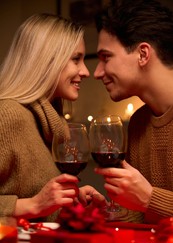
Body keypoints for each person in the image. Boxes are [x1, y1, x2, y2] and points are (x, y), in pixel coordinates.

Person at [0, 13, 107, 222]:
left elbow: (40, 200)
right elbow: (35, 204)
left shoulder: (52, 123)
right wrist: (31, 205)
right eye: (76, 59)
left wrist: (70, 201)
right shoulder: (9, 115)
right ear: (46, 60)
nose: (85, 71)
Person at [93, 0, 173, 224]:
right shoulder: (138, 123)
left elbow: (146, 200)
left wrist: (150, 198)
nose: (97, 72)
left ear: (143, 54)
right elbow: (137, 217)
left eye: (106, 57)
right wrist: (102, 213)